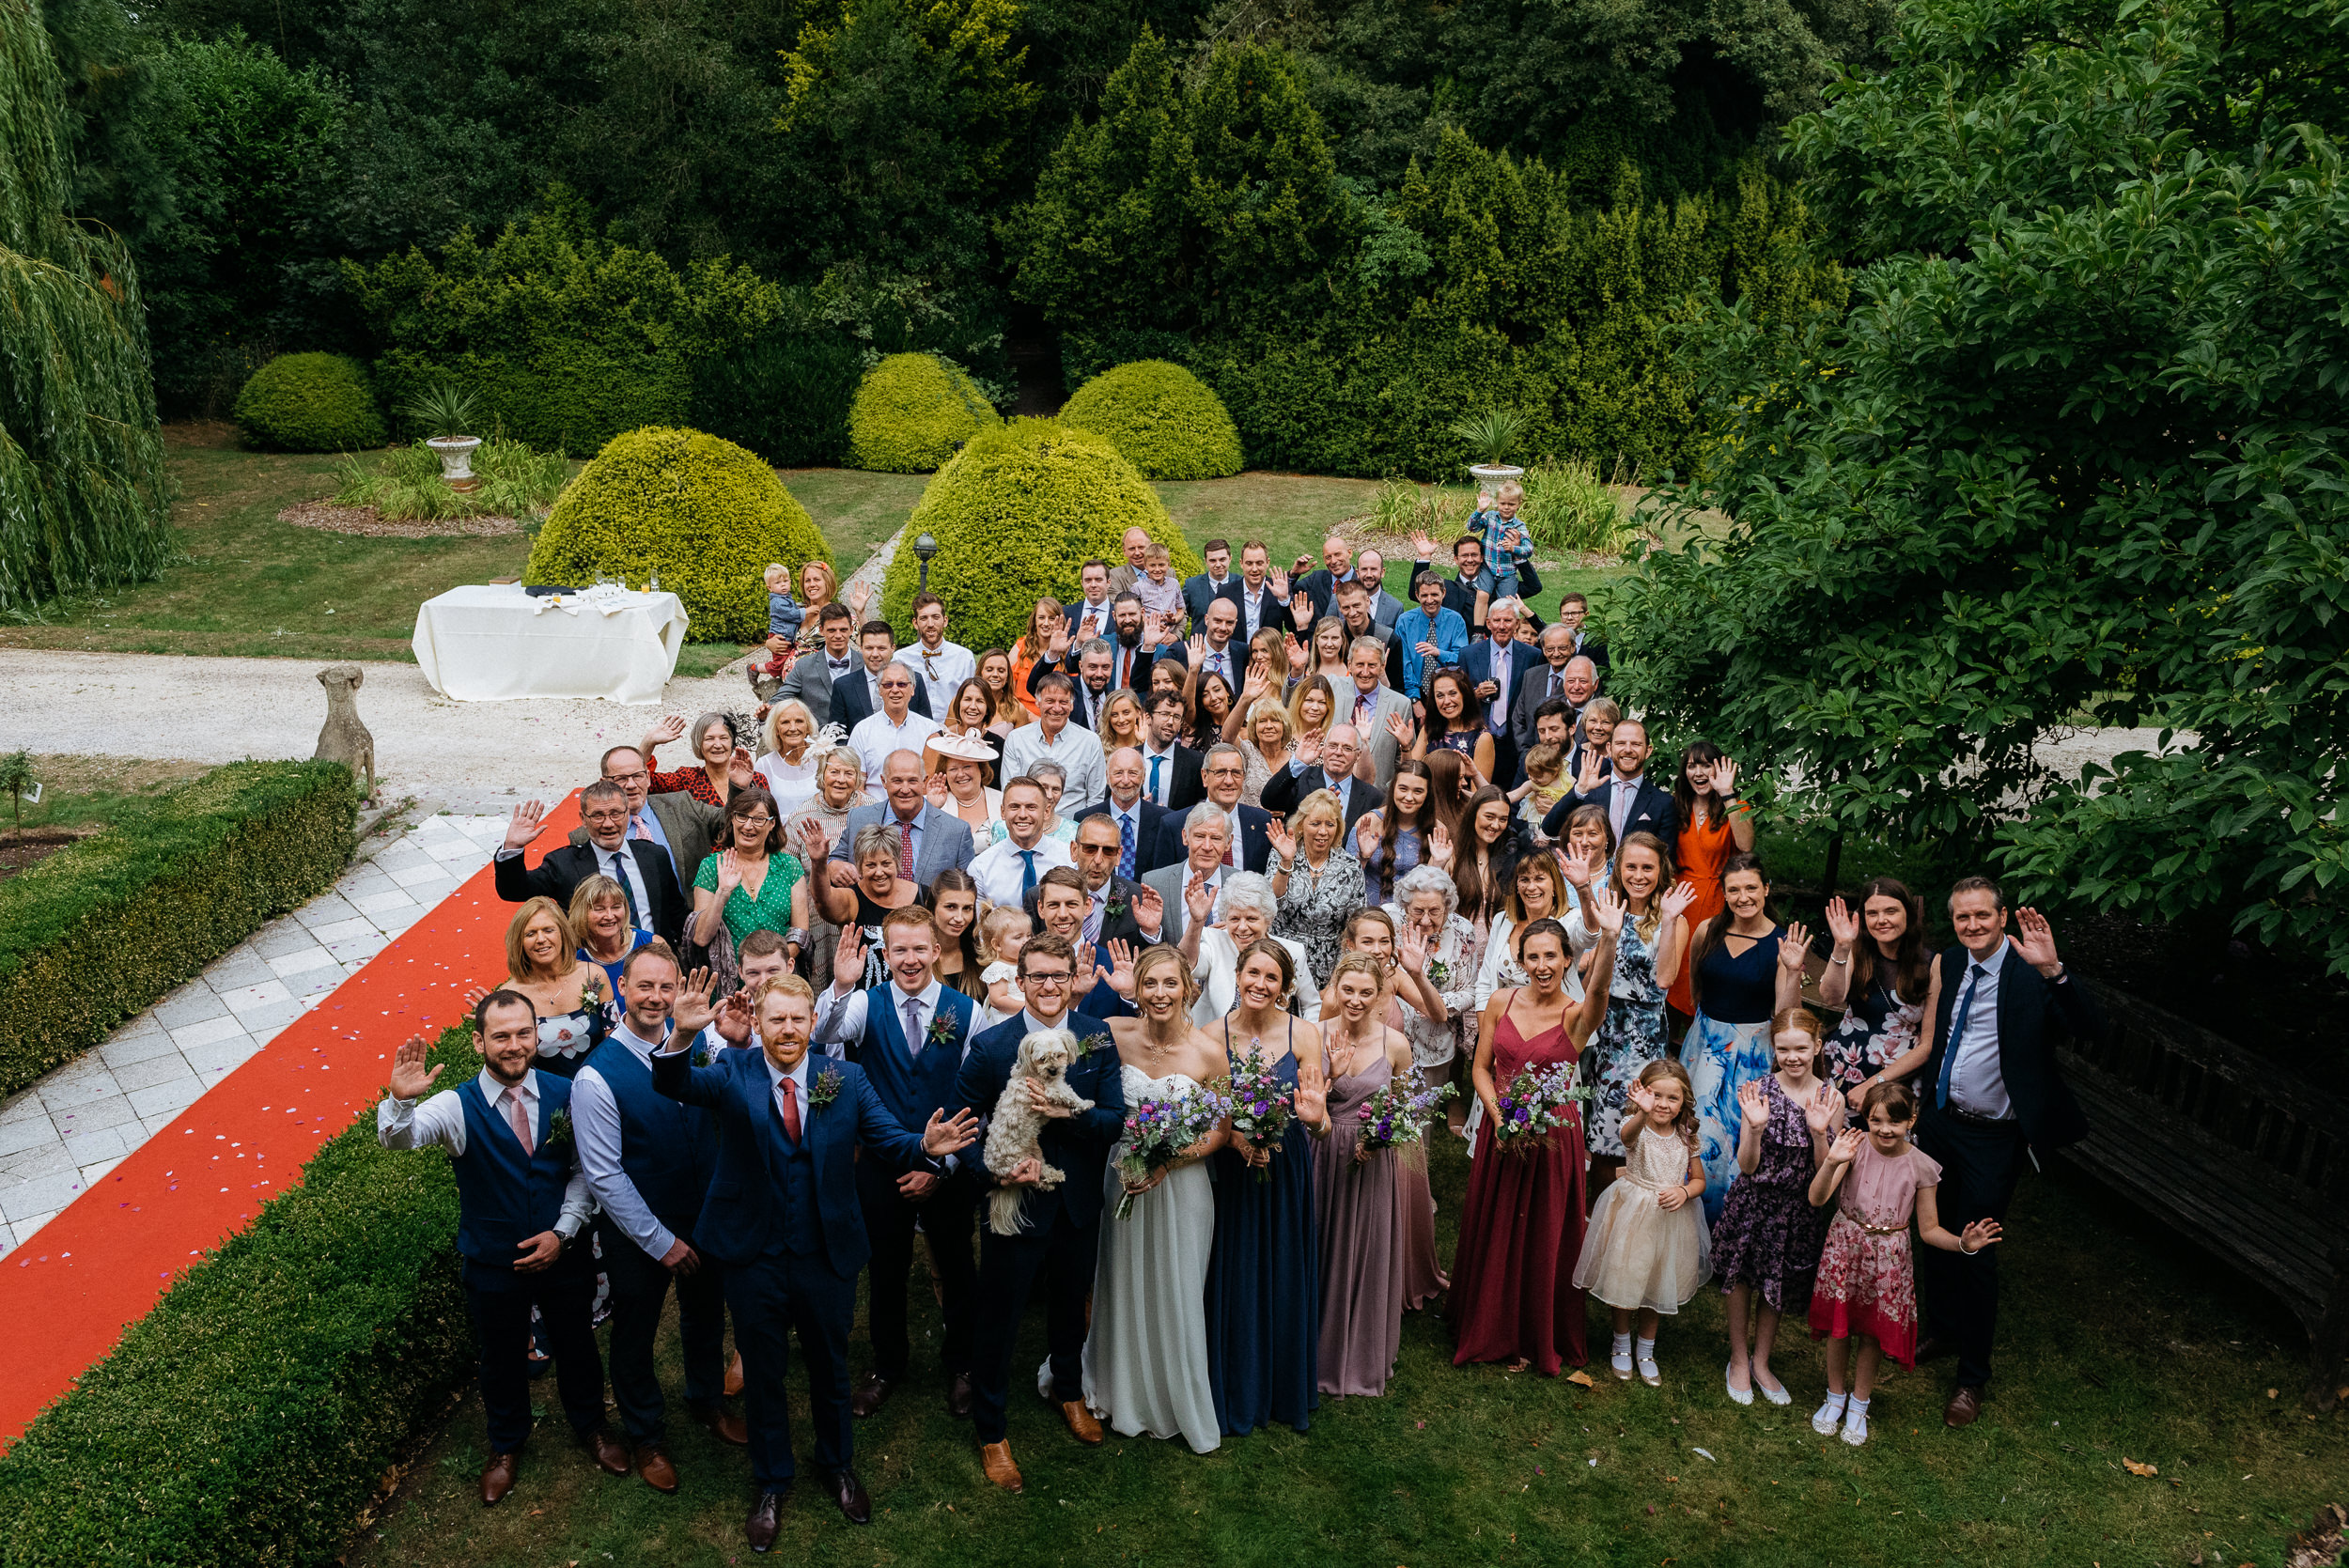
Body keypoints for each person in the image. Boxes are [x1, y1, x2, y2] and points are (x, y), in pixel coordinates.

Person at [656, 972, 977, 1539]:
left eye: (797, 1019)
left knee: (831, 1367)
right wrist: (681, 1034)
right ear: (758, 1023)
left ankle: (837, 1465)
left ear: (812, 1023)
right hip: (752, 1254)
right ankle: (772, 1480)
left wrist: (924, 1147)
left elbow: (888, 1139)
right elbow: (676, 1085)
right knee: (764, 1370)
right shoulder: (734, 1071)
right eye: (775, 1019)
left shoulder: (845, 1078)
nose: (787, 1029)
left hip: (826, 1252)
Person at [377, 994, 621, 1504]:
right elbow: (402, 1139)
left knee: (576, 1342)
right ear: (479, 1041)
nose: (514, 1046)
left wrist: (563, 1232)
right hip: (493, 1259)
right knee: (501, 1356)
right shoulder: (454, 1105)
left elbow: (581, 1171)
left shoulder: (567, 1091)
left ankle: (593, 1427)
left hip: (562, 1253)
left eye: (523, 1034)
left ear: (536, 1035)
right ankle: (506, 1445)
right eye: (501, 1036)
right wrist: (400, 1101)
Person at [1912, 881, 2098, 1429]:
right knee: (1937, 1233)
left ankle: (1972, 1377)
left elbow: (2091, 1030)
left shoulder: (2026, 971)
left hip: (1995, 1136)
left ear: (2001, 918)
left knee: (1977, 1247)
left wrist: (2054, 971)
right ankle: (1944, 1329)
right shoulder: (1950, 960)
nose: (1972, 926)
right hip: (1942, 1121)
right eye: (1962, 917)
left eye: (1982, 916)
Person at [955, 935, 1130, 1491]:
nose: (1049, 986)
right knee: (1000, 1319)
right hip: (1016, 1203)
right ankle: (991, 1429)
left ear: (1073, 976)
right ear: (1021, 981)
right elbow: (959, 1134)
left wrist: (1062, 1114)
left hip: (1077, 1201)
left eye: (1059, 976)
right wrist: (994, 1174)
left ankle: (1070, 1392)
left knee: (1069, 1306)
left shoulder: (1095, 1040)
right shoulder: (991, 1047)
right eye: (1038, 977)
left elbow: (1114, 1122)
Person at [574, 945, 747, 1492]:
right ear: (622, 989)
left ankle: (707, 1402)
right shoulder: (595, 1078)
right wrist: (660, 1241)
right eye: (643, 986)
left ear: (677, 991)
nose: (655, 998)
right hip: (637, 1227)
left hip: (705, 1213)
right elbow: (604, 1176)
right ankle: (646, 1434)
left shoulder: (698, 1043)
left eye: (665, 988)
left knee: (705, 1315)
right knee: (636, 1331)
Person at [811, 906, 984, 1419]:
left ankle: (963, 1366)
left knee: (957, 1266)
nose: (909, 959)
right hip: (882, 1165)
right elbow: (822, 1037)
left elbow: (974, 1093)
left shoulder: (967, 1011)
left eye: (918, 948)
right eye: (899, 949)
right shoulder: (865, 1002)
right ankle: (887, 1367)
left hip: (946, 1167)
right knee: (885, 1270)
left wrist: (939, 1167)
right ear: (885, 954)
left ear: (936, 950)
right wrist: (841, 988)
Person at [1450, 898, 1625, 1374]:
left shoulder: (1574, 1014)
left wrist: (1608, 938)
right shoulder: (1500, 1001)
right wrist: (1499, 1115)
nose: (1542, 966)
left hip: (1552, 1136)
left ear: (1568, 959)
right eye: (1533, 957)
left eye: (1552, 956)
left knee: (1542, 1235)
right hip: (1500, 1127)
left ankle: (1534, 1331)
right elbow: (1481, 1068)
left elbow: (1601, 996)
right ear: (1520, 961)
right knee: (1497, 1224)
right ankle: (1487, 1322)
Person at [1082, 944, 1230, 1451]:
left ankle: (1174, 1396)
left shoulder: (1210, 1052)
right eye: (1150, 984)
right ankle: (1117, 1385)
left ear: (1189, 988)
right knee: (1120, 1277)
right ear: (1136, 990)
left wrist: (1167, 1162)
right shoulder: (1111, 1033)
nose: (1161, 994)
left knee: (1178, 1285)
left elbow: (1220, 1132)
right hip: (1121, 1173)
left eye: (1171, 983)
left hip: (1182, 1182)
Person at [1809, 1081, 2002, 1447]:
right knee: (1840, 1325)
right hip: (1846, 1248)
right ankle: (1835, 1396)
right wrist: (1833, 1159)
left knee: (1870, 1332)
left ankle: (1859, 1404)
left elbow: (1929, 1231)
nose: (1884, 1129)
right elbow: (1817, 1199)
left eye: (1895, 1122)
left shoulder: (1922, 1167)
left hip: (1889, 1259)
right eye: (1875, 1120)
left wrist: (1963, 1244)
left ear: (1912, 1120)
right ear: (1865, 1117)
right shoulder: (1853, 1148)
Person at [1206, 939, 1330, 1433]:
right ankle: (1236, 1383)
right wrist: (1237, 1140)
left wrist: (1317, 1122)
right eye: (1252, 974)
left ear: (1286, 986)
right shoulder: (1212, 1035)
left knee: (1282, 1267)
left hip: (1286, 1167)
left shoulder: (1305, 1035)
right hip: (1234, 1170)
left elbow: (1317, 1118)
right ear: (1237, 975)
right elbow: (1211, 1111)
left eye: (1271, 978)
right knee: (1233, 1269)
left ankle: (1282, 1388)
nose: (1260, 985)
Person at [1710, 1007, 1838, 1405]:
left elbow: (1827, 1171)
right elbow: (1746, 1166)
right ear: (1774, 1049)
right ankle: (1737, 1358)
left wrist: (1820, 1135)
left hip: (1797, 1210)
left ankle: (1761, 1361)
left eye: (1801, 1048)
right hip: (1753, 1202)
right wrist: (1754, 1128)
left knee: (1774, 1287)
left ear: (1817, 1046)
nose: (1793, 1057)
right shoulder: (1757, 1090)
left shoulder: (1830, 1097)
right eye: (1784, 1049)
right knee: (1742, 1279)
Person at [1678, 854, 1807, 1219]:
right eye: (1733, 890)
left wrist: (1794, 969)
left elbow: (1785, 1015)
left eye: (1751, 887)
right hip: (1704, 1044)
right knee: (1697, 1131)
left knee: (1737, 1135)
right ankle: (1691, 1220)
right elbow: (1694, 990)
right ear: (1724, 893)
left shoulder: (1781, 943)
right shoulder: (1707, 930)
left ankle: (1728, 1224)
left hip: (1752, 1051)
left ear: (1766, 889)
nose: (1743, 896)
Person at [1312, 954, 1417, 1396]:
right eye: (1347, 990)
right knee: (1318, 1246)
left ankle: (1358, 1353)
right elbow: (1308, 1101)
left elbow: (1411, 1108)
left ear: (1381, 996)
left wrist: (1382, 1139)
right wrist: (1331, 1077)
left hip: (1372, 1160)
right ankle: (1312, 1350)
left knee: (1365, 1250)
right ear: (1335, 990)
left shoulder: (1395, 1044)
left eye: (1365, 992)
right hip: (1321, 1150)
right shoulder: (1314, 1035)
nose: (1354, 1000)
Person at [1574, 1058, 1711, 1387]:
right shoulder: (1637, 1126)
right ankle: (1620, 1342)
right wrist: (1642, 1112)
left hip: (1670, 1219)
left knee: (1658, 1281)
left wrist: (1684, 1191)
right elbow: (1626, 1138)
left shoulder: (1687, 1135)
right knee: (1626, 1277)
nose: (1663, 1104)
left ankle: (1646, 1349)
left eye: (1672, 1098)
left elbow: (1699, 1180)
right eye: (1656, 1095)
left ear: (1684, 1102)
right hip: (1634, 1214)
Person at [1584, 834, 1696, 1193]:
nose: (1638, 875)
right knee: (1598, 1131)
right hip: (1602, 1028)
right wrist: (1608, 933)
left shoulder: (1674, 919)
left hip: (1643, 1039)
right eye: (1631, 866)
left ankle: (1630, 1209)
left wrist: (1666, 917)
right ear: (1619, 868)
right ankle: (1592, 1215)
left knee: (1632, 1127)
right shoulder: (1608, 908)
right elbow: (1591, 979)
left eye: (1647, 867)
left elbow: (1664, 978)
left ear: (1660, 871)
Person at [498, 784, 690, 949]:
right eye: (598, 816)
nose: (608, 823)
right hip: (594, 972)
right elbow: (514, 890)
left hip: (655, 963)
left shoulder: (655, 856)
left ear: (627, 813)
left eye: (615, 813)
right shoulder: (564, 864)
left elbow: (676, 913)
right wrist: (512, 847)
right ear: (583, 818)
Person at [1817, 879, 1932, 1120]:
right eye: (1873, 913)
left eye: (1891, 911)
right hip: (1845, 1071)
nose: (1881, 919)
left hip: (1897, 1082)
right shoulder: (1856, 953)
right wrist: (1841, 947)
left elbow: (1928, 1045)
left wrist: (1873, 1083)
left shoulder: (1932, 964)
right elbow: (1830, 997)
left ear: (1908, 914)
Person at [1384, 864, 1476, 1134]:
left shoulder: (1463, 931)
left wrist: (1430, 1003)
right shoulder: (1387, 921)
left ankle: (1414, 1175)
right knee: (1380, 1116)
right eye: (1417, 911)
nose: (1425, 920)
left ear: (1447, 905)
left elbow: (1469, 992)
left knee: (1419, 1126)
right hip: (1388, 1038)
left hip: (1433, 1045)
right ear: (1404, 905)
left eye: (1435, 911)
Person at [1667, 743, 1757, 1017]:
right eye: (1692, 765)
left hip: (1717, 900)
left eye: (1706, 765)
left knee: (1709, 966)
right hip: (1681, 898)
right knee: (1676, 967)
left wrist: (1726, 793)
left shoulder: (1736, 806)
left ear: (1717, 769)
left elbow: (1746, 845)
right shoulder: (1675, 804)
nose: (1699, 772)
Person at [1174, 868, 1320, 1026]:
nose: (1242, 927)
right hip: (1214, 1043)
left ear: (1268, 919)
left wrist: (1306, 1041)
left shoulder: (1292, 952)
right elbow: (1185, 964)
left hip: (1269, 1043)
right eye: (1235, 919)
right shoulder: (1214, 940)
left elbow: (1312, 1005)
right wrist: (1197, 922)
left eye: (1251, 918)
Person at [690, 789, 807, 969]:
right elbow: (701, 937)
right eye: (742, 816)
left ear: (772, 824)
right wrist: (722, 892)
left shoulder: (789, 866)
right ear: (731, 819)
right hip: (729, 981)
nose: (748, 826)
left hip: (777, 979)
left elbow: (800, 935)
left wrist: (766, 971)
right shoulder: (711, 866)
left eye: (758, 819)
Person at [495, 896, 610, 1075]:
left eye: (548, 930)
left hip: (600, 1086)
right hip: (545, 1095)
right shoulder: (509, 995)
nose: (541, 939)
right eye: (530, 934)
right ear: (520, 942)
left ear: (562, 933)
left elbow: (615, 1040)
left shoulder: (593, 977)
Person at [832, 748, 977, 888]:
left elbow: (967, 889)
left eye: (913, 781)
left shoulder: (956, 831)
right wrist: (832, 866)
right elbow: (834, 860)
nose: (905, 789)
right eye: (897, 781)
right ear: (884, 781)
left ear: (924, 781)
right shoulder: (859, 819)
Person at [783, 744, 864, 990]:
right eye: (834, 772)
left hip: (859, 914)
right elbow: (787, 871)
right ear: (821, 776)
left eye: (849, 773)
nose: (841, 780)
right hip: (815, 917)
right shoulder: (802, 816)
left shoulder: (871, 810)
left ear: (858, 778)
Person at [593, 744, 724, 896]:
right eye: (621, 778)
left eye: (637, 776)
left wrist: (739, 788)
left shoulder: (681, 804)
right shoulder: (590, 836)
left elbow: (724, 821)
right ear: (604, 784)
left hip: (689, 915)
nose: (631, 785)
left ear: (648, 778)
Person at [1269, 789, 1364, 987]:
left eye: (1330, 824)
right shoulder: (1282, 852)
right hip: (1282, 957)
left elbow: (1354, 926)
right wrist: (1287, 862)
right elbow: (1272, 903)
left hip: (1328, 967)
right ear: (1302, 824)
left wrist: (1340, 976)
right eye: (1315, 823)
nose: (1323, 831)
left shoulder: (1350, 866)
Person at [1544, 716, 1678, 846]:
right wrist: (1579, 790)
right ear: (1609, 748)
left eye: (1636, 744)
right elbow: (1550, 828)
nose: (1628, 750)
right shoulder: (1589, 792)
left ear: (1648, 751)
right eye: (1620, 743)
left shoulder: (1663, 803)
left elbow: (1665, 860)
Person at [1150, 743, 1272, 874]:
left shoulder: (1261, 822)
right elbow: (1163, 883)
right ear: (1205, 777)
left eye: (1236, 773)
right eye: (1220, 772)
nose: (1229, 781)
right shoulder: (1174, 825)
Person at [1003, 672, 1108, 812]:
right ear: (1038, 702)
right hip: (1028, 827)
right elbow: (1010, 793)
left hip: (1075, 829)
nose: (1057, 708)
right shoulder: (1016, 740)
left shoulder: (1090, 742)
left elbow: (1096, 799)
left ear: (1071, 705)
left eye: (1063, 702)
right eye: (1050, 701)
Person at [1260, 722, 1382, 839]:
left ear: (1358, 755)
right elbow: (1269, 800)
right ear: (1323, 749)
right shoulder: (1300, 778)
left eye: (1347, 748)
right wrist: (1297, 761)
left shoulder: (1373, 797)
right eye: (1333, 746)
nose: (1338, 752)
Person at [968, 776, 1075, 908]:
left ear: (1046, 812)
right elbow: (980, 926)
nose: (1023, 814)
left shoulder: (1069, 861)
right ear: (1003, 812)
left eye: (1031, 807)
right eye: (1014, 807)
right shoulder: (981, 868)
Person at [847, 663, 941, 799]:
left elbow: (931, 783)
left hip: (917, 814)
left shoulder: (930, 730)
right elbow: (856, 784)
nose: (895, 690)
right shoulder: (862, 731)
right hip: (875, 814)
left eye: (902, 684)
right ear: (880, 690)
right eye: (888, 685)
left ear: (913, 689)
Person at [1072, 746, 1167, 880]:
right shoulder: (1084, 818)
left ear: (1144, 777)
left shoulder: (1164, 820)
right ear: (1107, 776)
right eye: (1118, 773)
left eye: (1133, 773)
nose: (1126, 780)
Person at [1141, 809, 1231, 948]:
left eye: (1216, 838)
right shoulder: (1155, 883)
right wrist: (1152, 932)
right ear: (1185, 837)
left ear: (1228, 843)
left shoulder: (1242, 882)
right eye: (1199, 836)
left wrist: (1235, 932)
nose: (1207, 847)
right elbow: (1150, 949)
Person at [1354, 757, 1434, 909]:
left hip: (1414, 916)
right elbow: (1346, 879)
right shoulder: (1369, 823)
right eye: (1403, 789)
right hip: (1371, 915)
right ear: (1393, 789)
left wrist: (1438, 863)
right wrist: (1363, 857)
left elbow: (1439, 889)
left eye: (1418, 791)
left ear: (1428, 794)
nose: (1409, 797)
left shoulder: (1436, 830)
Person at [833, 620, 933, 734]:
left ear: (892, 648)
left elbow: (926, 727)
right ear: (861, 648)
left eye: (881, 648)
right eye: (869, 648)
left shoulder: (914, 679)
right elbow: (837, 736)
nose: (875, 654)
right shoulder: (843, 686)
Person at [641, 712, 756, 809]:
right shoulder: (687, 779)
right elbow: (640, 784)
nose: (717, 745)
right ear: (699, 744)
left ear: (732, 743)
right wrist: (648, 742)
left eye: (723, 738)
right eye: (709, 739)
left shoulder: (755, 779)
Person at [1346, 638, 1418, 791]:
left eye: (1372, 665)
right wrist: (1297, 672)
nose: (1365, 672)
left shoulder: (1400, 704)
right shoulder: (1334, 690)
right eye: (1360, 664)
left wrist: (1406, 748)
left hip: (1379, 798)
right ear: (1349, 664)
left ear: (1382, 666)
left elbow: (1405, 764)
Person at [1508, 628, 1591, 759]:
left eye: (1562, 648)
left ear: (1573, 647)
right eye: (1550, 649)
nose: (1556, 654)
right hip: (1531, 760)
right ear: (1543, 649)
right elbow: (1518, 719)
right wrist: (1528, 755)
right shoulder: (1531, 675)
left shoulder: (1581, 681)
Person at [778, 602, 861, 727]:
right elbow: (779, 700)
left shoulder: (866, 664)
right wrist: (765, 714)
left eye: (843, 630)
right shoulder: (804, 666)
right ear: (821, 630)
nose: (838, 635)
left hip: (859, 741)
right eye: (832, 630)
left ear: (851, 630)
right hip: (818, 740)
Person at [1392, 568, 1469, 703]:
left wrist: (1438, 653)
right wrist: (1414, 699)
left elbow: (1461, 659)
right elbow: (1405, 664)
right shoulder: (1405, 622)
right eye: (1424, 595)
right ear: (1417, 595)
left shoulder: (1456, 620)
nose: (1430, 600)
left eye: (1434, 594)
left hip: (1448, 692)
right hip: (1416, 692)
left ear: (1443, 593)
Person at [569, 875, 653, 997]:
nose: (609, 916)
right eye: (599, 909)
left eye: (616, 907)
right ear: (581, 913)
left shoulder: (652, 944)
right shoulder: (575, 962)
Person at [895, 592, 974, 715]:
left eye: (936, 617)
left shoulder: (964, 657)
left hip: (953, 729)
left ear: (945, 621)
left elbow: (973, 697)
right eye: (924, 618)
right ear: (915, 623)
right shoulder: (901, 659)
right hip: (913, 729)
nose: (930, 624)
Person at [924, 730, 1003, 836]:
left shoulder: (1002, 800)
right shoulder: (930, 803)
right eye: (953, 769)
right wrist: (933, 809)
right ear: (945, 773)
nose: (960, 774)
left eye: (967, 767)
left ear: (981, 769)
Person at [1138, 690, 1206, 812]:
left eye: (1176, 717)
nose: (1170, 722)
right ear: (1148, 717)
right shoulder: (1128, 758)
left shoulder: (1195, 762)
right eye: (1164, 714)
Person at [1468, 481, 1535, 601]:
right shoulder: (1490, 517)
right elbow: (1472, 527)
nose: (1506, 507)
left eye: (1511, 504)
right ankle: (1478, 621)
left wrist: (1514, 548)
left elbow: (1529, 550)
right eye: (1502, 503)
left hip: (1507, 573)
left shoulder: (1519, 526)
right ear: (1497, 502)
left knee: (1506, 603)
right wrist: (1479, 510)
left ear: (1519, 504)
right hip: (1487, 568)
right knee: (1481, 596)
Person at [1215, 539, 1296, 640]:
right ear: (1241, 563)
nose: (1254, 569)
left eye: (1259, 563)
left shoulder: (1280, 589)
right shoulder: (1226, 592)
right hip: (1237, 654)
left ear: (1267, 562)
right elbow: (1215, 629)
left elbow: (1294, 627)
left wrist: (1284, 600)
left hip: (1269, 654)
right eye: (1249, 563)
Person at [1223, 693, 1294, 807]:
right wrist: (1245, 699)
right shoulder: (1247, 751)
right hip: (1250, 822)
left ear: (1284, 726)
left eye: (1275, 720)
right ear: (1254, 727)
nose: (1269, 726)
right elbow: (1227, 737)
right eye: (1262, 721)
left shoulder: (1294, 759)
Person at [755, 700, 823, 814]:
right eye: (785, 722)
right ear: (776, 729)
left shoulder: (821, 759)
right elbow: (759, 810)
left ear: (808, 727)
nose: (792, 728)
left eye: (799, 721)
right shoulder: (763, 765)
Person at [1512, 743, 1570, 834]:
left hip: (1561, 824)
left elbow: (1578, 794)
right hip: (1537, 823)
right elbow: (1514, 795)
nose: (1532, 778)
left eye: (1538, 776)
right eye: (1529, 774)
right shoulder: (1532, 784)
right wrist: (1495, 797)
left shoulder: (1567, 781)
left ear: (1555, 771)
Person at [1181, 539, 1237, 634]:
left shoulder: (1240, 584)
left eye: (1222, 559)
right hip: (1199, 645)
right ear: (1206, 561)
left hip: (1233, 646)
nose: (1218, 565)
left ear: (1230, 558)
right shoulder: (1192, 586)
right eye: (1213, 560)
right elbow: (1181, 615)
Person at [1131, 540, 1185, 625]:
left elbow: (1180, 610)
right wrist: (1153, 624)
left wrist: (1173, 619)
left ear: (1168, 564)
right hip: (1148, 633)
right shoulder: (1137, 587)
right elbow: (1135, 614)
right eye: (1152, 565)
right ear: (1145, 566)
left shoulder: (1174, 583)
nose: (1157, 569)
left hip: (1171, 631)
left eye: (1161, 565)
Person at [1554, 590, 1608, 675]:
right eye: (1565, 614)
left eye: (1575, 613)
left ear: (1587, 614)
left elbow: (1604, 674)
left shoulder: (1597, 641)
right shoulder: (1555, 638)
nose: (1569, 618)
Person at [973, 647, 1025, 733]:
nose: (995, 674)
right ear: (980, 673)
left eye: (1001, 671)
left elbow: (1021, 744)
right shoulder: (962, 702)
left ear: (1007, 676)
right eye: (989, 670)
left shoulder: (1017, 709)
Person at [1186, 667, 1237, 752]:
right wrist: (1192, 670)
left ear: (1227, 692)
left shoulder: (1245, 727)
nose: (1213, 698)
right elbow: (1188, 708)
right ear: (1201, 702)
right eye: (1205, 695)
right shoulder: (1198, 727)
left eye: (1217, 690)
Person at [763, 563, 805, 645]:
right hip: (780, 637)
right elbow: (790, 614)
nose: (783, 584)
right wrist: (807, 611)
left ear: (790, 582)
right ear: (770, 588)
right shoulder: (777, 602)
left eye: (785, 581)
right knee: (782, 656)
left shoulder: (786, 598)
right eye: (778, 583)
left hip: (786, 636)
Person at [1097, 688, 1147, 755]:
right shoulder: (1099, 748)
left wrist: (1145, 743)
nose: (1121, 720)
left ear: (1138, 712)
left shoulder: (1151, 743)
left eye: (1126, 713)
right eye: (1114, 715)